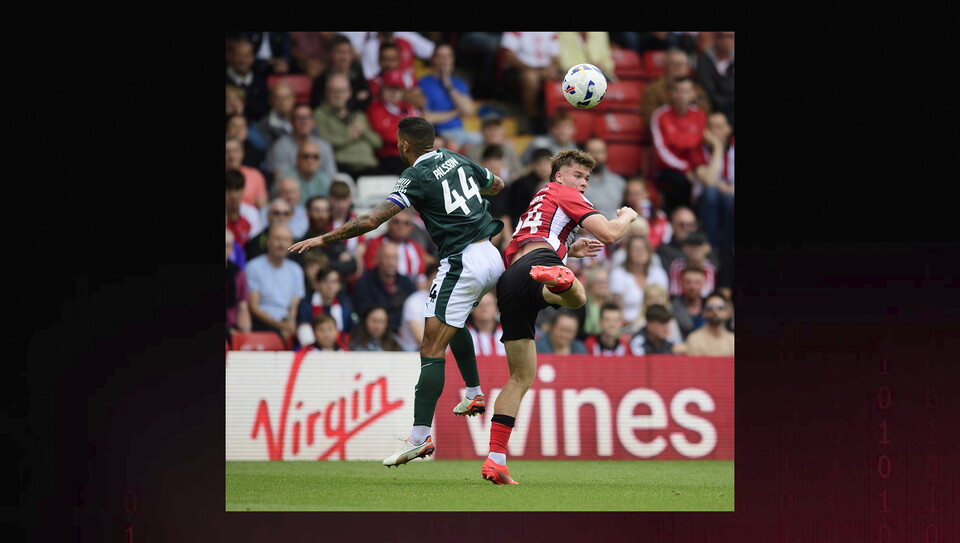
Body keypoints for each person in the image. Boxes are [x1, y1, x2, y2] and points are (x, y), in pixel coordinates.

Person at [289, 117, 507, 468]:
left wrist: (323, 238)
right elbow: (497, 184)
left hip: (462, 261)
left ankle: (419, 439)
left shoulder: (414, 176)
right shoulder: (456, 157)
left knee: (430, 347)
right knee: (451, 323)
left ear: (404, 145)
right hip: (491, 255)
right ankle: (474, 393)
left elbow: (372, 220)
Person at [483, 148, 639, 484]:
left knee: (520, 377)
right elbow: (610, 233)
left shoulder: (541, 197)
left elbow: (541, 232)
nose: (582, 184)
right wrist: (628, 216)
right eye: (577, 176)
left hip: (512, 279)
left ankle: (495, 458)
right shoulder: (563, 192)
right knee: (578, 298)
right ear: (559, 176)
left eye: (586, 179)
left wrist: (568, 249)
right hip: (538, 264)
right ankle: (562, 277)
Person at [650, 76, 707, 214]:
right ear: (671, 93)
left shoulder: (700, 116)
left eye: (686, 91)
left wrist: (700, 169)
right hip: (669, 169)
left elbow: (703, 147)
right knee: (679, 182)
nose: (681, 95)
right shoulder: (660, 115)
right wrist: (685, 168)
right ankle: (678, 221)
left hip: (696, 169)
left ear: (693, 94)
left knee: (711, 190)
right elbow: (661, 151)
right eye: (677, 91)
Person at [313, 73, 383, 180]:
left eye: (342, 91)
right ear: (326, 93)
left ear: (349, 93)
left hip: (369, 167)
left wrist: (364, 132)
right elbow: (322, 143)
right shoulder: (319, 114)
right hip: (342, 168)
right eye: (334, 91)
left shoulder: (359, 114)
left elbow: (378, 143)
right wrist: (348, 135)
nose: (338, 94)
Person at [245, 224, 305, 345]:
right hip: (262, 324)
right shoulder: (253, 267)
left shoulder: (296, 270)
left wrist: (290, 323)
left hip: (286, 323)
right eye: (277, 239)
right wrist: (279, 326)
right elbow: (254, 307)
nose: (281, 244)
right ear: (268, 241)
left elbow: (294, 303)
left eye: (286, 240)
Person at [416, 42, 481, 151]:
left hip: (461, 133)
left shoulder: (459, 84)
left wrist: (447, 84)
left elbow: (468, 110)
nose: (443, 61)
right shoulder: (423, 83)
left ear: (452, 59)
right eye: (440, 56)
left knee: (489, 142)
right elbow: (426, 118)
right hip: (438, 135)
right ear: (433, 59)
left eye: (447, 57)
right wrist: (456, 112)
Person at [690, 111, 735, 257]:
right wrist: (717, 147)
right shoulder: (698, 150)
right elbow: (709, 180)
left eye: (719, 127)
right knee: (711, 192)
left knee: (728, 198)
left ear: (728, 129)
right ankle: (712, 247)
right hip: (703, 203)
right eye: (710, 127)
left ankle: (727, 250)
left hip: (730, 199)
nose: (714, 131)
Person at [498, 32, 561, 132]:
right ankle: (533, 117)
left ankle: (555, 120)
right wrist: (532, 69)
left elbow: (555, 56)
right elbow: (508, 55)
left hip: (543, 69)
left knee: (562, 78)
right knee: (530, 77)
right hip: (519, 68)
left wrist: (552, 68)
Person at [639, 48, 711, 132]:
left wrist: (692, 100)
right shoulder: (653, 89)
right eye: (674, 64)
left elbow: (705, 110)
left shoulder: (696, 89)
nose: (678, 68)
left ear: (688, 68)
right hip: (666, 132)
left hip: (692, 132)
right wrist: (673, 108)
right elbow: (649, 118)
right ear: (666, 67)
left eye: (682, 65)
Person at [366, 69, 422, 176]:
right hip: (388, 155)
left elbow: (421, 131)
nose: (393, 92)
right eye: (390, 88)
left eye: (397, 88)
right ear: (383, 89)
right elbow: (384, 134)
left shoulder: (408, 108)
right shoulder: (375, 108)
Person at [264, 103, 337, 184]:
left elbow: (331, 178)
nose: (304, 122)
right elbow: (281, 180)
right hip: (291, 193)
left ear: (313, 122)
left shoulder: (324, 146)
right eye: (299, 118)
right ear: (291, 122)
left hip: (320, 192)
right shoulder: (279, 147)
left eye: (307, 117)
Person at [609, 235, 669, 327]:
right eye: (635, 249)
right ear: (628, 252)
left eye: (643, 248)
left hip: (656, 324)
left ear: (649, 251)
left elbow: (665, 303)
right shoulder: (619, 274)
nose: (640, 252)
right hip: (627, 326)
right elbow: (617, 308)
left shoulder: (659, 273)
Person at [308, 34, 371, 112]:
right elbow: (316, 106)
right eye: (339, 52)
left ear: (351, 55)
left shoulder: (357, 76)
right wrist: (354, 100)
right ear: (331, 54)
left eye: (347, 52)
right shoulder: (321, 80)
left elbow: (366, 101)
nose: (343, 57)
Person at [362, 208, 429, 278]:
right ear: (389, 224)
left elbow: (422, 272)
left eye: (406, 223)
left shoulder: (416, 248)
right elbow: (371, 270)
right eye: (396, 222)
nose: (401, 226)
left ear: (411, 228)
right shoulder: (376, 244)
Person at [297, 266, 356, 339]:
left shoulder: (345, 307)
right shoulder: (306, 306)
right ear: (317, 284)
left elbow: (350, 333)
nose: (330, 286)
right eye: (326, 281)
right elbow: (304, 332)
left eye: (334, 282)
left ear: (339, 286)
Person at [464, 113, 523, 185]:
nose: (493, 132)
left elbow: (519, 173)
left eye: (496, 128)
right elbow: (472, 176)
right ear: (482, 131)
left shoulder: (509, 149)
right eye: (489, 128)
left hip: (509, 189)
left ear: (503, 130)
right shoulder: (473, 152)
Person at [504, 147, 552, 229]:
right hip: (526, 224)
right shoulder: (522, 184)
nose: (543, 167)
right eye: (539, 164)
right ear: (533, 165)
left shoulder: (559, 181)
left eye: (546, 163)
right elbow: (516, 211)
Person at [695, 32, 734, 129]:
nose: (726, 40)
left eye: (730, 37)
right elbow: (708, 88)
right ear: (715, 39)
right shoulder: (705, 60)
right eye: (722, 36)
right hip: (712, 104)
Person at [225, 38, 270, 122]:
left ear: (253, 58)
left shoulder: (260, 80)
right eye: (239, 55)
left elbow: (265, 111)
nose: (243, 60)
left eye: (246, 56)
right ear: (229, 56)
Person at [582, 137, 627, 219]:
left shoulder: (619, 182)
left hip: (617, 224)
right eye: (591, 152)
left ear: (606, 154)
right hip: (589, 226)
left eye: (600, 152)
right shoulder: (576, 183)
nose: (596, 156)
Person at [397, 263, 437, 352]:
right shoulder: (414, 302)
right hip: (413, 355)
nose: (441, 285)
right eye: (436, 280)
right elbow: (422, 340)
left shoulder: (449, 302)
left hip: (443, 354)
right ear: (427, 280)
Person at [623, 176, 671, 250]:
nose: (633, 198)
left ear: (647, 193)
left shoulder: (660, 216)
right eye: (630, 194)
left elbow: (667, 240)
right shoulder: (620, 216)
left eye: (637, 193)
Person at [666, 230, 717, 299]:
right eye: (691, 245)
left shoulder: (709, 267)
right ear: (684, 248)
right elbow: (674, 292)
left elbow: (707, 293)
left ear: (706, 248)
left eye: (698, 245)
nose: (695, 249)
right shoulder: (677, 265)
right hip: (680, 303)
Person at [280, 139, 332, 205]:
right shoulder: (286, 180)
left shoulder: (324, 180)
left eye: (315, 157)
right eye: (306, 156)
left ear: (320, 160)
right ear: (297, 158)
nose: (310, 161)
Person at [245, 197, 296, 262]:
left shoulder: (296, 241)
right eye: (276, 213)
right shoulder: (255, 242)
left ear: (291, 217)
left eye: (285, 214)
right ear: (268, 216)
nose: (281, 217)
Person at [226, 136, 268, 210]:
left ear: (242, 153)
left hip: (249, 219)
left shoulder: (255, 176)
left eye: (235, 151)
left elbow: (263, 208)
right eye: (227, 152)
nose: (232, 156)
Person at [226, 228, 252, 344]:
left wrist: (245, 335)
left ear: (231, 249)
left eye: (226, 245)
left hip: (232, 327)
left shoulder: (238, 274)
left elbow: (243, 306)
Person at [255, 81, 297, 152]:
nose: (283, 101)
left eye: (287, 97)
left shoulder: (305, 118)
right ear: (271, 101)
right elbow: (269, 150)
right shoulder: (264, 124)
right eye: (278, 98)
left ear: (294, 99)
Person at [225, 169, 259, 257]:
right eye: (229, 190)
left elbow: (254, 244)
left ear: (243, 190)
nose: (233, 195)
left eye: (237, 189)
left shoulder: (252, 213)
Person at [671, 266, 707, 340]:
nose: (692, 287)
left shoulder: (709, 305)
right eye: (688, 282)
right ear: (681, 282)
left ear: (704, 283)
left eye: (697, 282)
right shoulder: (672, 306)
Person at [466, 291, 505, 356]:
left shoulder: (507, 334)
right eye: (479, 305)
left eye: (488, 304)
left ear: (497, 308)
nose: (484, 308)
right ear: (471, 309)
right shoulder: (462, 335)